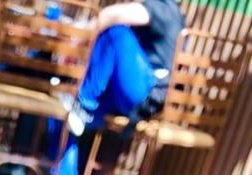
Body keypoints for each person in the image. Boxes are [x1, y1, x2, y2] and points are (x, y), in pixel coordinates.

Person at [68, 0, 184, 136]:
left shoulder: (164, 7)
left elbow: (110, 16)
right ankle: (61, 153)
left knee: (117, 33)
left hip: (145, 97)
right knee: (64, 109)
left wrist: (76, 37)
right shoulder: (168, 11)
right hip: (126, 95)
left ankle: (85, 105)